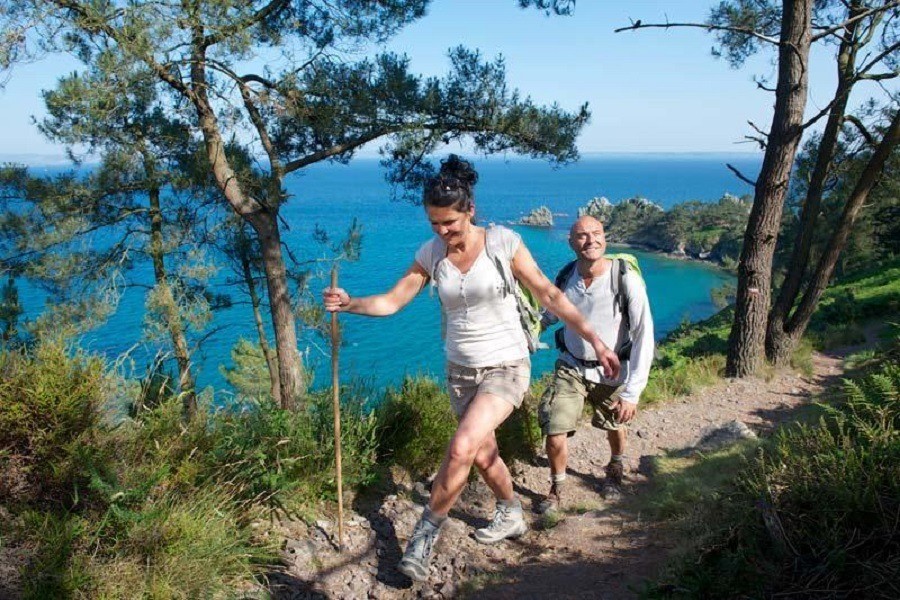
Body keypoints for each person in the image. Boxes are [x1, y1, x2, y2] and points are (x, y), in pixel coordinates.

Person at [323, 156, 620, 582]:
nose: (444, 232)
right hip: (460, 370)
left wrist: (594, 338)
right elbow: (392, 301)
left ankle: (423, 538)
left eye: (451, 223)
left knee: (462, 446)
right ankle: (512, 512)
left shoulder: (503, 242)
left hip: (506, 364)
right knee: (482, 453)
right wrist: (350, 304)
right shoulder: (431, 254)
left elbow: (549, 295)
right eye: (434, 224)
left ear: (470, 211)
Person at [537, 215, 654, 515]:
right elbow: (548, 314)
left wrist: (632, 393)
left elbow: (644, 336)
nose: (591, 240)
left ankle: (615, 467)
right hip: (571, 365)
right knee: (555, 427)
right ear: (571, 242)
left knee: (614, 425)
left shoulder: (626, 278)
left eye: (596, 233)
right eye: (582, 235)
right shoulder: (566, 276)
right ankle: (557, 488)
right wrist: (522, 333)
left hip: (613, 370)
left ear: (605, 237)